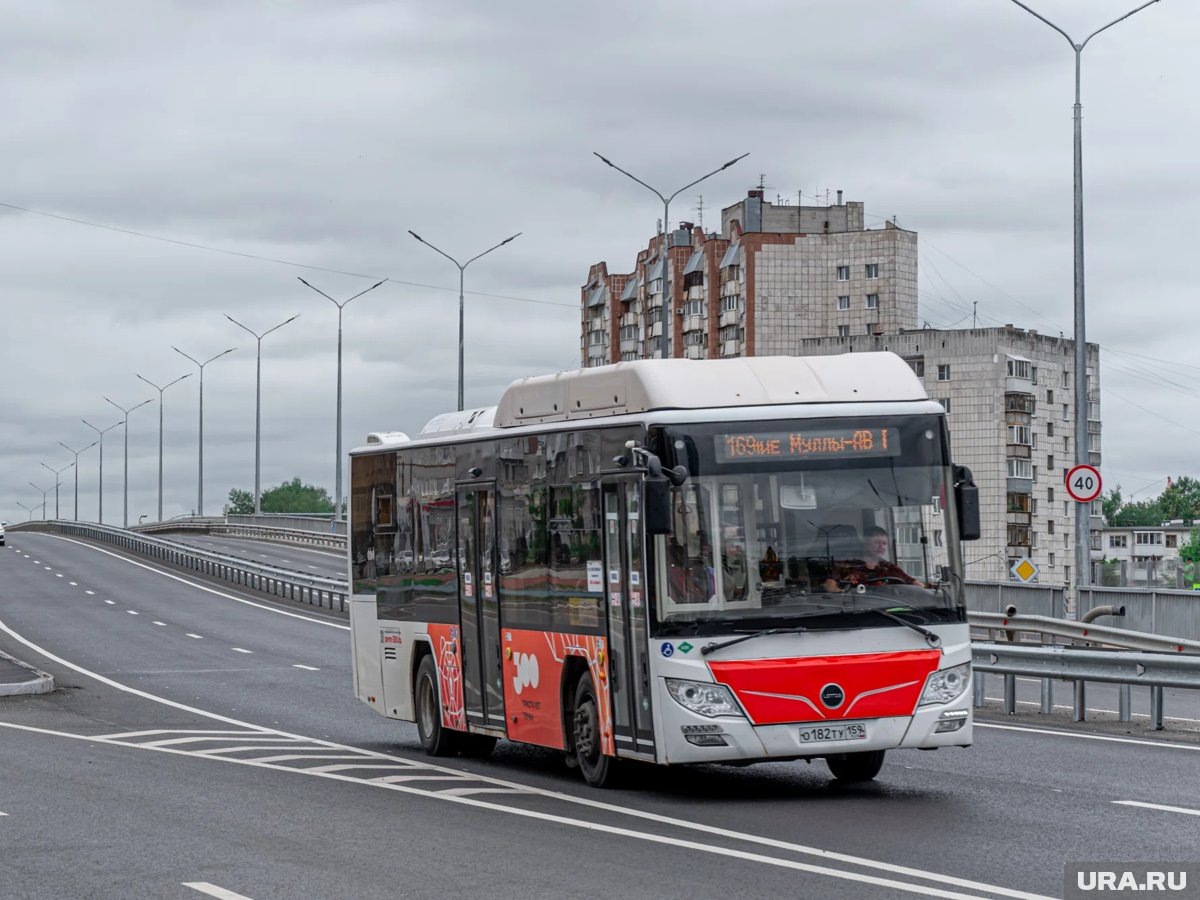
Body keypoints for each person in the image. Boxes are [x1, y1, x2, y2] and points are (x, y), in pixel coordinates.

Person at [822, 525, 924, 591]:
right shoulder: (845, 566)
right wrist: (839, 592)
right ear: (865, 543)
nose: (881, 547)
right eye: (877, 542)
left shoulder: (889, 568)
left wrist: (929, 589)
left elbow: (913, 582)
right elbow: (829, 584)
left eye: (884, 543)